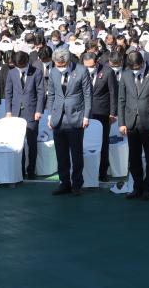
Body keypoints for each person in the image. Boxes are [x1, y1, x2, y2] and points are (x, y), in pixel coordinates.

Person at [118, 51, 149, 200]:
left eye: (137, 66)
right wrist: (122, 123)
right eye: (132, 67)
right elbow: (121, 100)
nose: (135, 69)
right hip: (131, 123)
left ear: (143, 63)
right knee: (134, 158)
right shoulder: (125, 75)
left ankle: (148, 189)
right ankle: (137, 187)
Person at [46, 48, 91, 196]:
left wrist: (86, 116)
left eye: (61, 64)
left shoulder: (82, 71)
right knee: (61, 154)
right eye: (57, 64)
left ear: (68, 60)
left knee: (76, 154)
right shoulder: (53, 72)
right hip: (58, 118)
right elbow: (51, 94)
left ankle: (77, 184)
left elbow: (87, 95)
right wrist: (49, 116)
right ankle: (64, 183)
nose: (59, 67)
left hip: (76, 117)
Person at [5, 51, 44, 180]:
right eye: (17, 65)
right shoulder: (11, 73)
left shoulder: (37, 72)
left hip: (32, 112)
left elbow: (40, 93)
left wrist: (39, 110)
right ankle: (20, 170)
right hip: (16, 112)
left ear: (27, 61)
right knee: (18, 143)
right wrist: (8, 111)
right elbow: (8, 92)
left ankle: (31, 170)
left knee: (32, 143)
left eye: (21, 65)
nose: (19, 67)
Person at [82, 52, 117, 182]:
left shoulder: (108, 72)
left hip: (102, 112)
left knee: (103, 143)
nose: (88, 68)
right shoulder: (81, 71)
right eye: (86, 66)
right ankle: (85, 171)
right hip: (85, 112)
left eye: (91, 66)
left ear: (96, 62)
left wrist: (113, 113)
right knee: (84, 142)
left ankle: (102, 172)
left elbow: (113, 93)